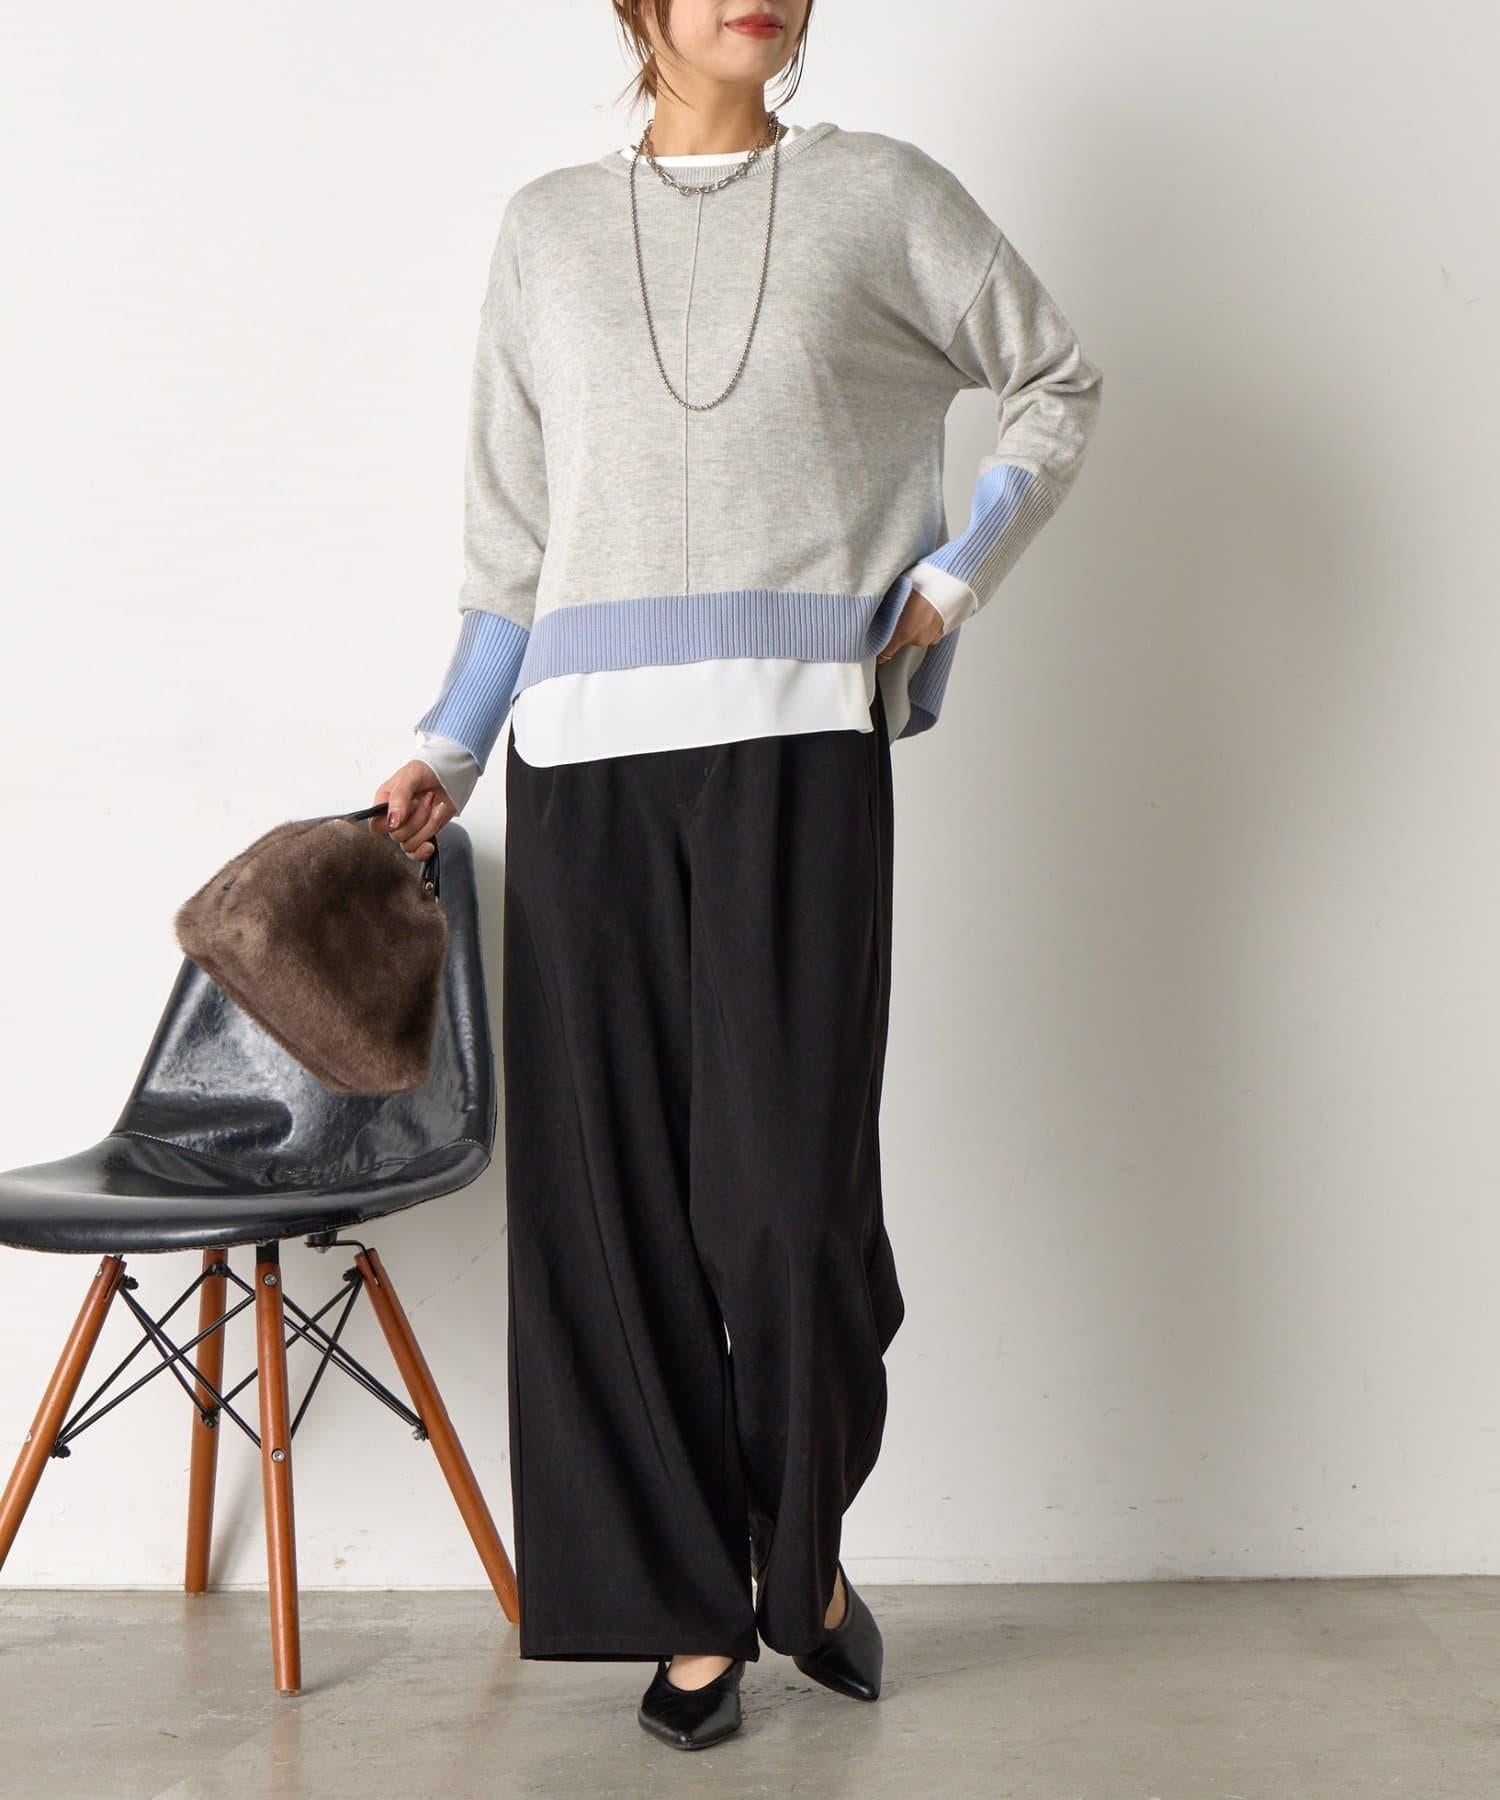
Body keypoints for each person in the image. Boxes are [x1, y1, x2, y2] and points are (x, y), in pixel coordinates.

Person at [372, 0, 1102, 1754]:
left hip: (797, 754)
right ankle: (689, 1612)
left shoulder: (880, 196)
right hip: (580, 772)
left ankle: (807, 1554)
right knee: (608, 1212)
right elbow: (511, 547)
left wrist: (948, 582)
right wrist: (447, 747)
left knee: (786, 1206)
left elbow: (1058, 380)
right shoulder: (548, 230)